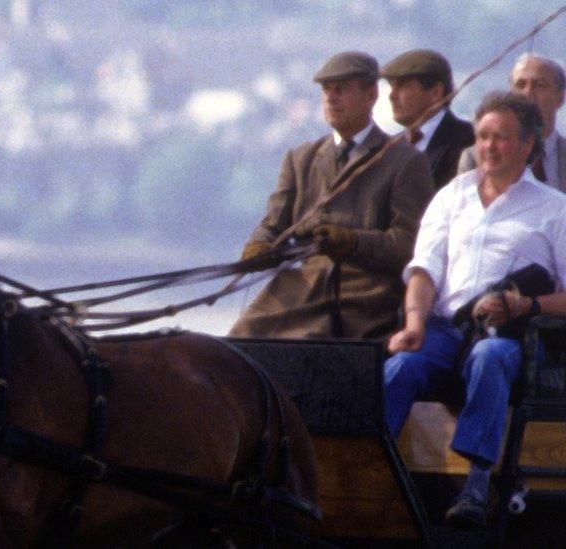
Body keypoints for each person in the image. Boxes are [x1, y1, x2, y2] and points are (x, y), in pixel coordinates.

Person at [384, 91, 566, 527]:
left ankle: (477, 486)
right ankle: (376, 470)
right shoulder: (452, 197)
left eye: (500, 138)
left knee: (487, 358)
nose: (488, 146)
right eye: (482, 136)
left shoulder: (554, 209)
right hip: (446, 327)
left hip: (511, 336)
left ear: (528, 144)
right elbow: (424, 270)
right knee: (400, 367)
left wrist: (526, 305)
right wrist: (413, 324)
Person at [230, 51, 435, 339]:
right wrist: (259, 248)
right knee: (237, 343)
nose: (331, 98)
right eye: (326, 90)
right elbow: (273, 224)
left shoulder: (405, 161)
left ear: (371, 95)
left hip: (364, 296)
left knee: (306, 344)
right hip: (297, 288)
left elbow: (409, 245)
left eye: (342, 90)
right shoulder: (300, 159)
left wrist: (352, 243)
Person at [458, 54, 566, 192]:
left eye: (539, 85)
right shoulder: (478, 157)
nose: (528, 93)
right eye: (520, 85)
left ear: (561, 97)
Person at [382, 49, 475, 189]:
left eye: (402, 86)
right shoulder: (388, 148)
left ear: (435, 92)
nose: (392, 96)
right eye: (391, 86)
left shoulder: (469, 139)